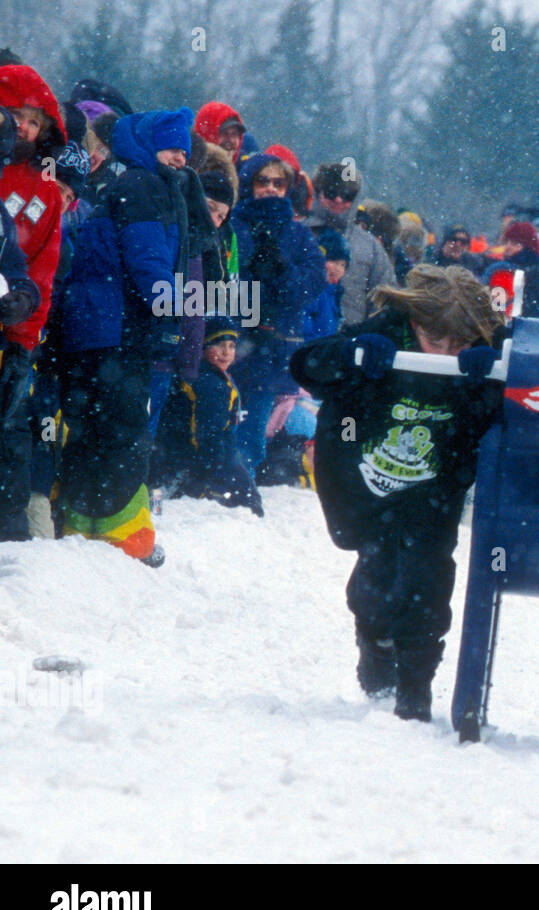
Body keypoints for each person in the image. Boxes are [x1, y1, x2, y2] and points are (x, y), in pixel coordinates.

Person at [289, 265, 504, 721]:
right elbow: (306, 366)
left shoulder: (488, 352)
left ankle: (415, 686)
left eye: (459, 343)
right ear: (414, 322)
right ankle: (375, 643)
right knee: (377, 576)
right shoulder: (384, 331)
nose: (447, 352)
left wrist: (486, 385)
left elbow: (496, 420)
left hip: (433, 487)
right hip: (361, 474)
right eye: (436, 341)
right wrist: (352, 356)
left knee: (427, 580)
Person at [57, 108, 200, 566]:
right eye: (173, 147)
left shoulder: (129, 183)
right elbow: (148, 262)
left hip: (94, 329)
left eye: (185, 149)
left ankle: (82, 526)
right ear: (146, 146)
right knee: (124, 431)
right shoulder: (144, 186)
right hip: (117, 330)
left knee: (91, 428)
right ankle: (125, 536)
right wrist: (177, 310)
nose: (181, 157)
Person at [228, 153, 327, 474]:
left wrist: (280, 272)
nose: (270, 188)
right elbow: (221, 280)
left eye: (278, 182)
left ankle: (241, 490)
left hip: (272, 347)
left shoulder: (299, 235)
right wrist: (251, 280)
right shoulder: (233, 224)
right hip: (230, 341)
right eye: (263, 181)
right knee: (218, 421)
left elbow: (312, 284)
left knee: (254, 430)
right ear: (249, 184)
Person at [0, 66, 65, 541]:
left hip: (13, 332)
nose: (23, 128)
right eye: (15, 115)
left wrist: (25, 337)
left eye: (34, 121)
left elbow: (42, 266)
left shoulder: (45, 187)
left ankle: (9, 533)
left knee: (10, 434)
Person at [153, 316, 262, 515]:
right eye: (218, 345)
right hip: (196, 461)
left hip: (192, 457)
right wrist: (213, 472)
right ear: (203, 347)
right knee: (248, 502)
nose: (226, 353)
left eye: (231, 346)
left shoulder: (212, 376)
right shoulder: (211, 384)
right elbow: (207, 435)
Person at [304, 161, 395, 329]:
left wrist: (369, 333)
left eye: (347, 195)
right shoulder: (297, 233)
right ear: (318, 193)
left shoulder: (370, 247)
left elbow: (384, 300)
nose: (338, 200)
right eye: (331, 192)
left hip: (348, 343)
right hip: (297, 339)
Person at [481, 220, 539, 319]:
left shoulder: (504, 271)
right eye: (507, 242)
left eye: (515, 244)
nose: (508, 247)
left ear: (528, 247)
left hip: (513, 329)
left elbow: (497, 313)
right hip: (523, 329)